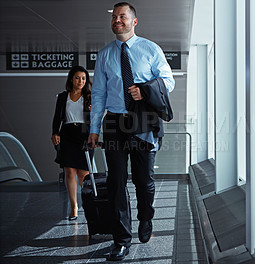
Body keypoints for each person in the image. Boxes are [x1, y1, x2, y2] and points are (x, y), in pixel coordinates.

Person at [88, 2, 174, 261]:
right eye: (114, 17)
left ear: (134, 21)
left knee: (143, 180)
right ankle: (121, 239)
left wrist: (144, 89)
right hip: (114, 123)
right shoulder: (104, 54)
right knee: (115, 182)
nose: (117, 21)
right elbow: (100, 94)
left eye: (122, 17)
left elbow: (168, 81)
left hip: (143, 121)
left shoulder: (150, 49)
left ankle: (146, 217)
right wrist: (94, 129)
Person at [52, 65, 92, 221]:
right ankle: (74, 207)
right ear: (71, 79)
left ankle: (89, 205)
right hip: (67, 134)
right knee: (69, 171)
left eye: (83, 78)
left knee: (83, 174)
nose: (81, 81)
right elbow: (57, 117)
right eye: (77, 78)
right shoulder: (63, 97)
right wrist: (54, 132)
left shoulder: (90, 96)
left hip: (84, 135)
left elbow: (96, 117)